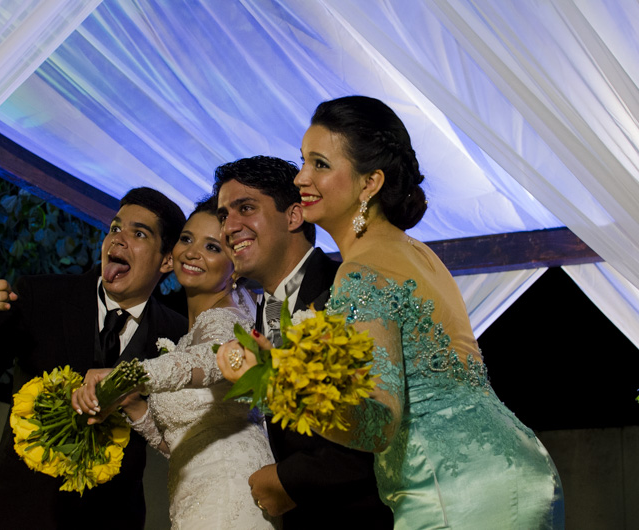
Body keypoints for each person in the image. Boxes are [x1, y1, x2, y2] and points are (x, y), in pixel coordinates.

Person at [218, 97, 565, 528]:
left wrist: (273, 377)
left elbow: (377, 425)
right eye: (303, 161)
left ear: (370, 183)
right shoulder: (417, 253)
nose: (301, 177)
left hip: (453, 490)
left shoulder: (362, 272)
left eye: (320, 164)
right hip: (514, 464)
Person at [0, 187, 188, 530]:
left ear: (166, 260)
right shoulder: (41, 297)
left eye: (139, 233)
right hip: (15, 516)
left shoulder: (179, 337)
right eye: (115, 228)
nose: (119, 240)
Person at [73, 196, 277, 528]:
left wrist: (127, 375)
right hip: (194, 496)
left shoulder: (226, 322)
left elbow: (212, 360)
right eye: (186, 238)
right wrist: (136, 407)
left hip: (229, 496)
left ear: (235, 265)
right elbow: (181, 444)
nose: (192, 252)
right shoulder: (191, 332)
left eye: (212, 247)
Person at [214, 156, 393, 528]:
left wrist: (289, 480)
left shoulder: (349, 287)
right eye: (223, 216)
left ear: (294, 217)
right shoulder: (258, 318)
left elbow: (383, 423)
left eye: (245, 208)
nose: (229, 227)